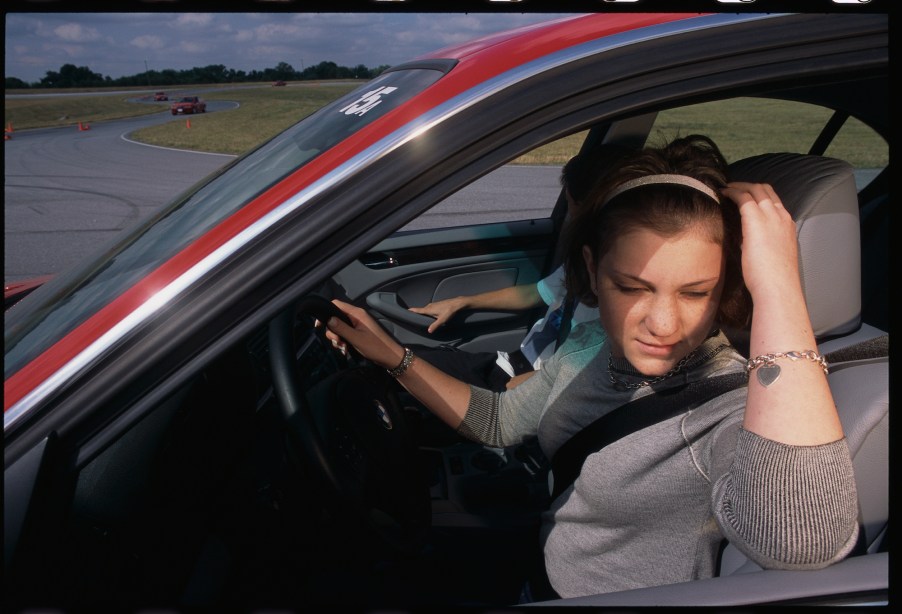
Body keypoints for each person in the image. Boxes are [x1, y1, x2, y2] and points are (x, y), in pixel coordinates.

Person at [324, 135, 859, 599]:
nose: (664, 324)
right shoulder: (589, 343)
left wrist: (779, 288)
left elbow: (803, 544)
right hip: (543, 574)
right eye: (631, 287)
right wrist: (392, 355)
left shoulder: (733, 406)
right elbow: (498, 423)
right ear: (591, 270)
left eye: (697, 293)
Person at [406, 147, 624, 390]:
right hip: (512, 364)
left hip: (534, 388)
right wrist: (462, 301)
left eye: (570, 202)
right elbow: (534, 293)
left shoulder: (620, 296)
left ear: (583, 206)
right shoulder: (583, 261)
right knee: (406, 361)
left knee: (405, 371)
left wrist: (522, 390)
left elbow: (590, 371)